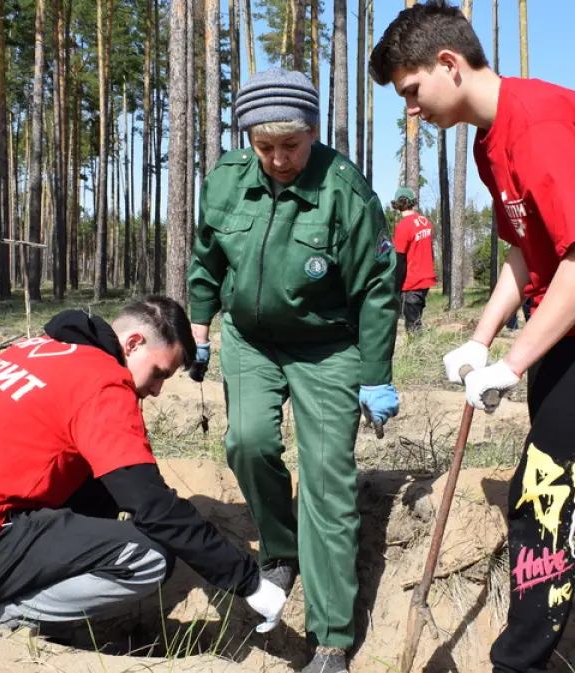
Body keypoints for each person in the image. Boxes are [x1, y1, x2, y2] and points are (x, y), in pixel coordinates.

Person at [370, 4, 575, 672]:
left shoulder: (537, 124)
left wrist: (514, 361)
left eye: (411, 91)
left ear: (449, 65)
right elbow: (529, 250)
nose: (412, 109)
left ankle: (519, 662)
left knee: (544, 495)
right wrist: (482, 338)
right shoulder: (492, 141)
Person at [0, 300, 286, 639]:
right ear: (132, 343)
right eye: (160, 373)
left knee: (100, 479)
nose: (157, 389)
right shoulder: (103, 384)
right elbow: (151, 505)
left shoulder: (38, 349)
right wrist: (247, 581)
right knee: (151, 557)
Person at [186, 68, 399, 673]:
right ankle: (281, 549)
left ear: (312, 132)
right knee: (248, 442)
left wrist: (375, 372)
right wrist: (200, 328)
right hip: (250, 339)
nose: (279, 160)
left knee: (328, 482)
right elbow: (206, 255)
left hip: (327, 346)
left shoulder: (344, 191)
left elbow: (378, 289)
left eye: (292, 146)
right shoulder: (228, 178)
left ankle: (331, 638)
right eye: (265, 147)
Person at [392, 186, 438, 331]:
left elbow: (400, 259)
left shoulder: (403, 226)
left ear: (398, 204)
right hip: (426, 278)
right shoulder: (425, 222)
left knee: (412, 325)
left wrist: (396, 287)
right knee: (417, 318)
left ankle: (416, 350)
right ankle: (419, 348)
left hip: (411, 282)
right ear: (412, 202)